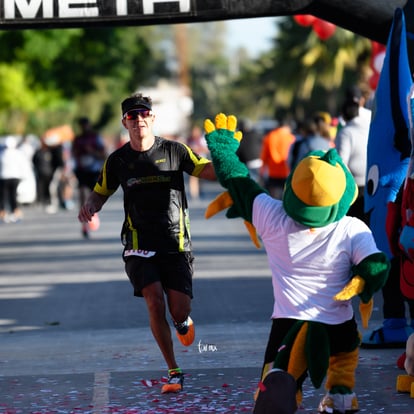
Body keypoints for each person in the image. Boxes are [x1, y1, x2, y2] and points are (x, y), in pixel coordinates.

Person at [203, 113, 389, 413]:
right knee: (342, 366)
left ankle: (288, 392)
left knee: (276, 382)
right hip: (339, 325)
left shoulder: (272, 215)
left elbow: (238, 181)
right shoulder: (351, 228)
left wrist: (223, 150)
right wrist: (364, 280)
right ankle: (339, 395)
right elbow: (376, 265)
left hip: (287, 324)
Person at [78, 93, 216, 394]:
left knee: (178, 310)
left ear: (152, 118)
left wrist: (227, 160)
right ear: (124, 122)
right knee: (154, 301)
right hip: (138, 241)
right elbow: (101, 190)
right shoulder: (118, 160)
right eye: (131, 116)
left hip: (175, 241)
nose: (138, 119)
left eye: (143, 114)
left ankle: (182, 322)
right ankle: (173, 370)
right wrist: (91, 206)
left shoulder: (175, 150)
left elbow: (207, 170)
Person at [335, 85, 371, 224]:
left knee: (354, 225)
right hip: (372, 180)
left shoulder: (345, 131)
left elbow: (341, 161)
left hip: (355, 186)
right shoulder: (370, 116)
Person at [72, 117, 106, 237]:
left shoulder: (95, 138)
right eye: (82, 126)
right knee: (82, 197)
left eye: (85, 125)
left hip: (95, 171)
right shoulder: (77, 139)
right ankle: (84, 226)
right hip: (82, 172)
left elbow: (103, 154)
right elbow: (73, 154)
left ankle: (93, 214)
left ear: (89, 125)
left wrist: (91, 151)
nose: (84, 128)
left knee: (93, 198)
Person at [259, 120, 295, 199]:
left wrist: (261, 172)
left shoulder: (270, 136)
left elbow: (264, 156)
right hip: (287, 172)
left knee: (273, 197)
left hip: (273, 172)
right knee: (285, 197)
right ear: (287, 127)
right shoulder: (291, 138)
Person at [0, 136, 32, 223]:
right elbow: (23, 166)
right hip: (15, 177)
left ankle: (4, 213)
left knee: (4, 197)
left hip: (4, 177)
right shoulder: (18, 153)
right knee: (13, 196)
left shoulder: (3, 154)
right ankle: (15, 212)